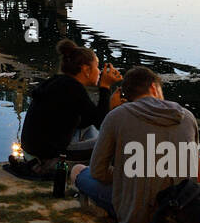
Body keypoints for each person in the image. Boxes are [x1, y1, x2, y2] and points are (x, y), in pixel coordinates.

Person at [72, 66, 199, 223]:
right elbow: (192, 172)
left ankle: (106, 207)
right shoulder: (187, 117)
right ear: (154, 87)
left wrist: (125, 175)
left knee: (77, 170)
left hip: (134, 214)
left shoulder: (116, 116)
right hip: (176, 210)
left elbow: (98, 171)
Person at [13, 40, 123, 177]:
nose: (99, 72)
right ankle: (109, 174)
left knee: (89, 127)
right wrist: (105, 87)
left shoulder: (58, 82)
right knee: (116, 141)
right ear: (86, 70)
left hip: (32, 154)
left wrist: (110, 105)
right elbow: (102, 124)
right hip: (49, 160)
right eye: (97, 67)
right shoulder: (73, 88)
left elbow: (89, 120)